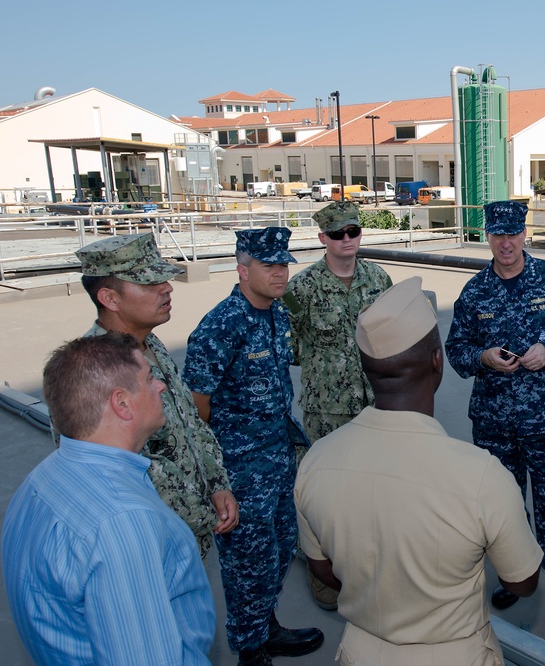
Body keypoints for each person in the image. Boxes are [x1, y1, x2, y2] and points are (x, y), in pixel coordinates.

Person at [295, 277, 544, 665]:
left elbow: (324, 571)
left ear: (366, 368)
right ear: (436, 361)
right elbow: (523, 582)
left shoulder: (316, 461)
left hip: (360, 651)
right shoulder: (481, 477)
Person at [2, 334, 215, 665]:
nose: (161, 387)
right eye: (148, 378)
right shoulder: (123, 522)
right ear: (122, 403)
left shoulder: (41, 480)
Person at [445, 200, 545, 655]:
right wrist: (483, 357)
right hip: (495, 423)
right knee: (503, 508)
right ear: (488, 235)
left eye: (513, 234)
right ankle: (516, 576)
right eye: (498, 234)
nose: (506, 243)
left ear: (524, 233)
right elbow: (456, 349)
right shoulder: (475, 292)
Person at [183, 228, 324, 666]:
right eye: (269, 265)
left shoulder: (276, 313)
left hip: (277, 454)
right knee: (247, 562)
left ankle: (266, 626)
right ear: (243, 271)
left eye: (283, 264)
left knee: (280, 547)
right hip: (240, 468)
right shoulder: (221, 325)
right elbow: (196, 404)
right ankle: (249, 649)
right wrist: (217, 473)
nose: (280, 273)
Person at [75, 232, 237, 558]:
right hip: (150, 544)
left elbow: (191, 422)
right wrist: (203, 515)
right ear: (110, 298)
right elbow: (121, 475)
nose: (167, 288)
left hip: (188, 534)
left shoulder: (149, 344)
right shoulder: (93, 374)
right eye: (149, 283)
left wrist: (217, 483)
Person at [284, 200, 391, 610]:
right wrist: (327, 366)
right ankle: (323, 571)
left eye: (353, 231)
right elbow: (289, 344)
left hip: (375, 403)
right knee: (326, 494)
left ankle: (369, 564)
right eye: (337, 234)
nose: (347, 239)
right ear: (322, 238)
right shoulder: (300, 289)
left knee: (373, 487)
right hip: (327, 409)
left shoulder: (378, 278)